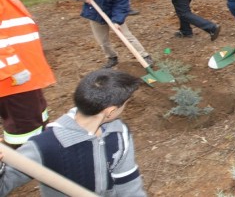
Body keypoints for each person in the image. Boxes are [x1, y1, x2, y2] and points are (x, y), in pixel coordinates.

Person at [0, 68, 147, 196]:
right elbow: (3, 186)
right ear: (111, 111)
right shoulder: (44, 146)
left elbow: (128, 183)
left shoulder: (119, 132)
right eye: (125, 104)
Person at [0, 0, 56, 147]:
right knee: (22, 123)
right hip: (11, 78)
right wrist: (14, 69)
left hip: (24, 76)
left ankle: (40, 144)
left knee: (37, 112)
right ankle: (22, 163)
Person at [66, 0, 154, 69]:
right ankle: (112, 57)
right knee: (102, 41)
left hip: (114, 15)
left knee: (127, 36)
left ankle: (144, 56)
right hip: (96, 15)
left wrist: (117, 21)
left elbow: (121, 6)